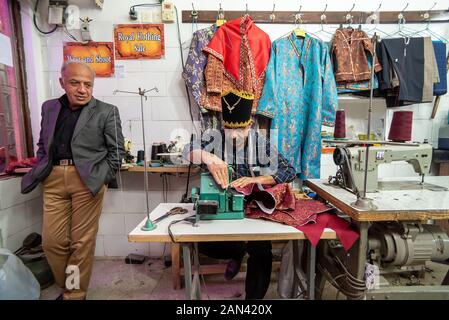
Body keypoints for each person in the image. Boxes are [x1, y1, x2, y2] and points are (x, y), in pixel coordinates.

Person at [21, 61, 125, 300]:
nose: (82, 89)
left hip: (87, 180)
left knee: (81, 243)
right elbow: (42, 145)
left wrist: (101, 176)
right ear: (62, 83)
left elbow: (117, 151)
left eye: (88, 85)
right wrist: (40, 167)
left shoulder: (106, 111)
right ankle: (69, 286)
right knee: (52, 243)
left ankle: (74, 295)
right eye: (75, 83)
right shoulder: (49, 108)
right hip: (54, 179)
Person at [184, 89, 296, 299]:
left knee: (262, 250)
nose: (234, 135)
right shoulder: (215, 139)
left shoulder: (259, 143)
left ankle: (252, 302)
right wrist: (207, 157)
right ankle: (236, 251)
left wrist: (256, 180)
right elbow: (186, 150)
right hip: (221, 208)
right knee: (204, 244)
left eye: (241, 129)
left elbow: (288, 170)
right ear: (222, 124)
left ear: (250, 124)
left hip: (250, 210)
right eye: (228, 128)